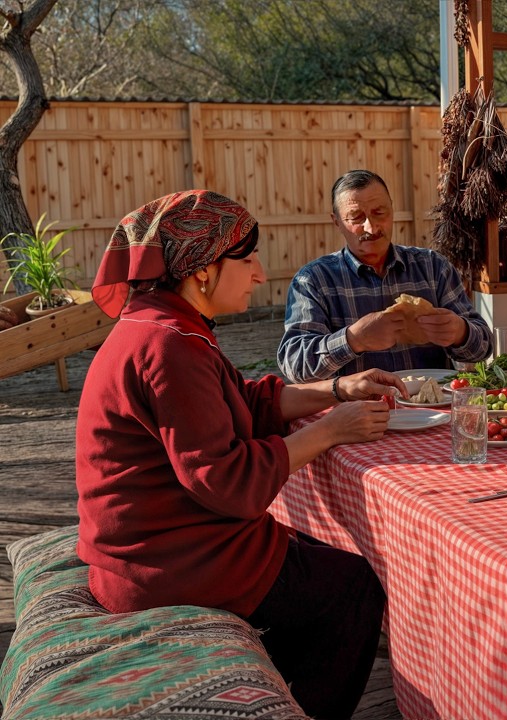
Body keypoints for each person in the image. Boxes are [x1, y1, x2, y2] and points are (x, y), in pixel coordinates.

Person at [76, 190, 402, 719]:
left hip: (155, 546)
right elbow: (229, 483)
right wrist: (329, 432)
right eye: (246, 258)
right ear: (204, 269)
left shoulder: (163, 324)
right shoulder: (168, 345)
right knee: (352, 588)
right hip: (163, 564)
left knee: (322, 569)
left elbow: (241, 402)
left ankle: (270, 694)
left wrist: (338, 390)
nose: (259, 273)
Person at [277, 169, 493, 382]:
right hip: (357, 412)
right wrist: (353, 340)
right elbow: (295, 365)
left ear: (392, 210)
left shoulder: (433, 268)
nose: (371, 227)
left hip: (431, 410)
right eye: (356, 218)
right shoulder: (314, 281)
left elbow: (484, 347)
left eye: (379, 213)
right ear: (337, 222)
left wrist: (460, 333)